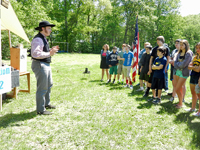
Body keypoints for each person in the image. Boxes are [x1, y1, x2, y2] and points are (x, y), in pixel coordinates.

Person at [31, 21, 59, 115]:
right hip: (40, 65)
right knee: (42, 88)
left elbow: (41, 51)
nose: (50, 30)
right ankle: (40, 110)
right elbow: (35, 53)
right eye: (49, 28)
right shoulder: (38, 39)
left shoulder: (43, 38)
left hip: (44, 64)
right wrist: (49, 53)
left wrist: (50, 50)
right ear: (43, 28)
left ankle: (46, 104)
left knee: (49, 84)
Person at [174, 40, 193, 109]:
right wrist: (178, 65)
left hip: (184, 73)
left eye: (182, 44)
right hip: (178, 72)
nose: (181, 46)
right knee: (179, 88)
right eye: (180, 44)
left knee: (177, 89)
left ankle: (181, 103)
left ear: (186, 45)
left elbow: (184, 65)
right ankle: (180, 102)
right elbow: (175, 62)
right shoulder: (179, 52)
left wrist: (177, 64)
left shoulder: (188, 53)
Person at [186, 42, 200, 112]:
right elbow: (188, 67)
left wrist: (193, 67)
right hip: (193, 76)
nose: (197, 49)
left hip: (198, 77)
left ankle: (199, 111)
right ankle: (193, 108)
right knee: (193, 93)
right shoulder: (195, 57)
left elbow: (198, 70)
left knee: (199, 95)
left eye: (199, 48)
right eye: (196, 48)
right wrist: (195, 67)